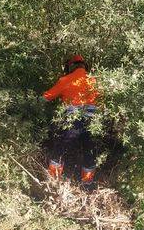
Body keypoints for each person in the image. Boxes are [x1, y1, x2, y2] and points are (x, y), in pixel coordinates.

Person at [41, 55, 101, 187]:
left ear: (71, 66)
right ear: (84, 66)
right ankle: (87, 184)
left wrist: (30, 104)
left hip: (71, 123)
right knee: (89, 152)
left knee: (59, 150)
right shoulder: (95, 81)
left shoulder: (66, 80)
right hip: (92, 123)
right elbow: (104, 103)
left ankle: (53, 181)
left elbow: (45, 98)